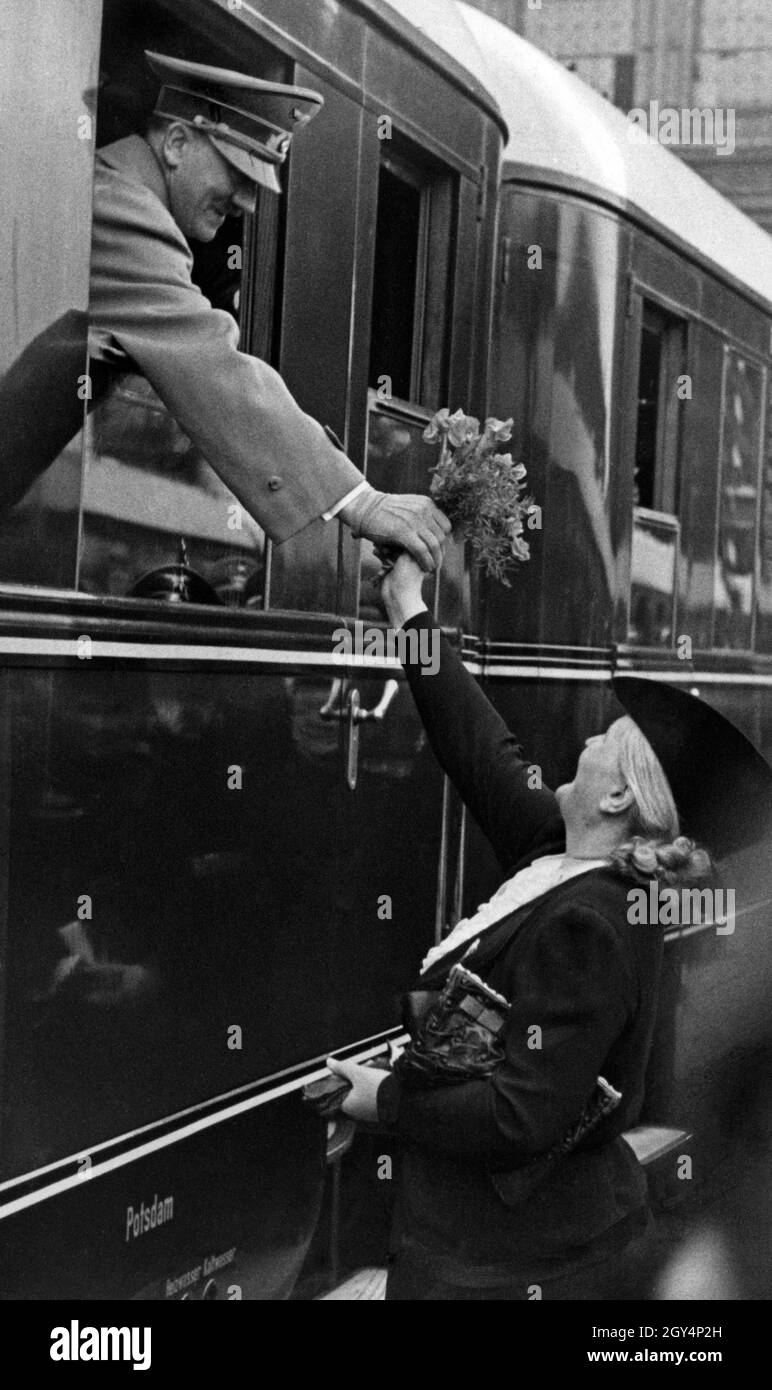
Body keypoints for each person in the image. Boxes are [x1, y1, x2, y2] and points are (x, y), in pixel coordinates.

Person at [328, 554, 772, 1301]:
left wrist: (382, 1099)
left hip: (525, 1266)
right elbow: (476, 741)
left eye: (606, 740)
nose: (587, 742)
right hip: (478, 1250)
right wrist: (407, 610)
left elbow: (520, 1117)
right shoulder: (560, 858)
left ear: (618, 795)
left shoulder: (592, 926)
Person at [83, 52, 450, 571]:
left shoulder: (117, 190)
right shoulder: (122, 207)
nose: (249, 204)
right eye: (239, 173)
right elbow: (208, 362)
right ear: (178, 142)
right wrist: (362, 502)